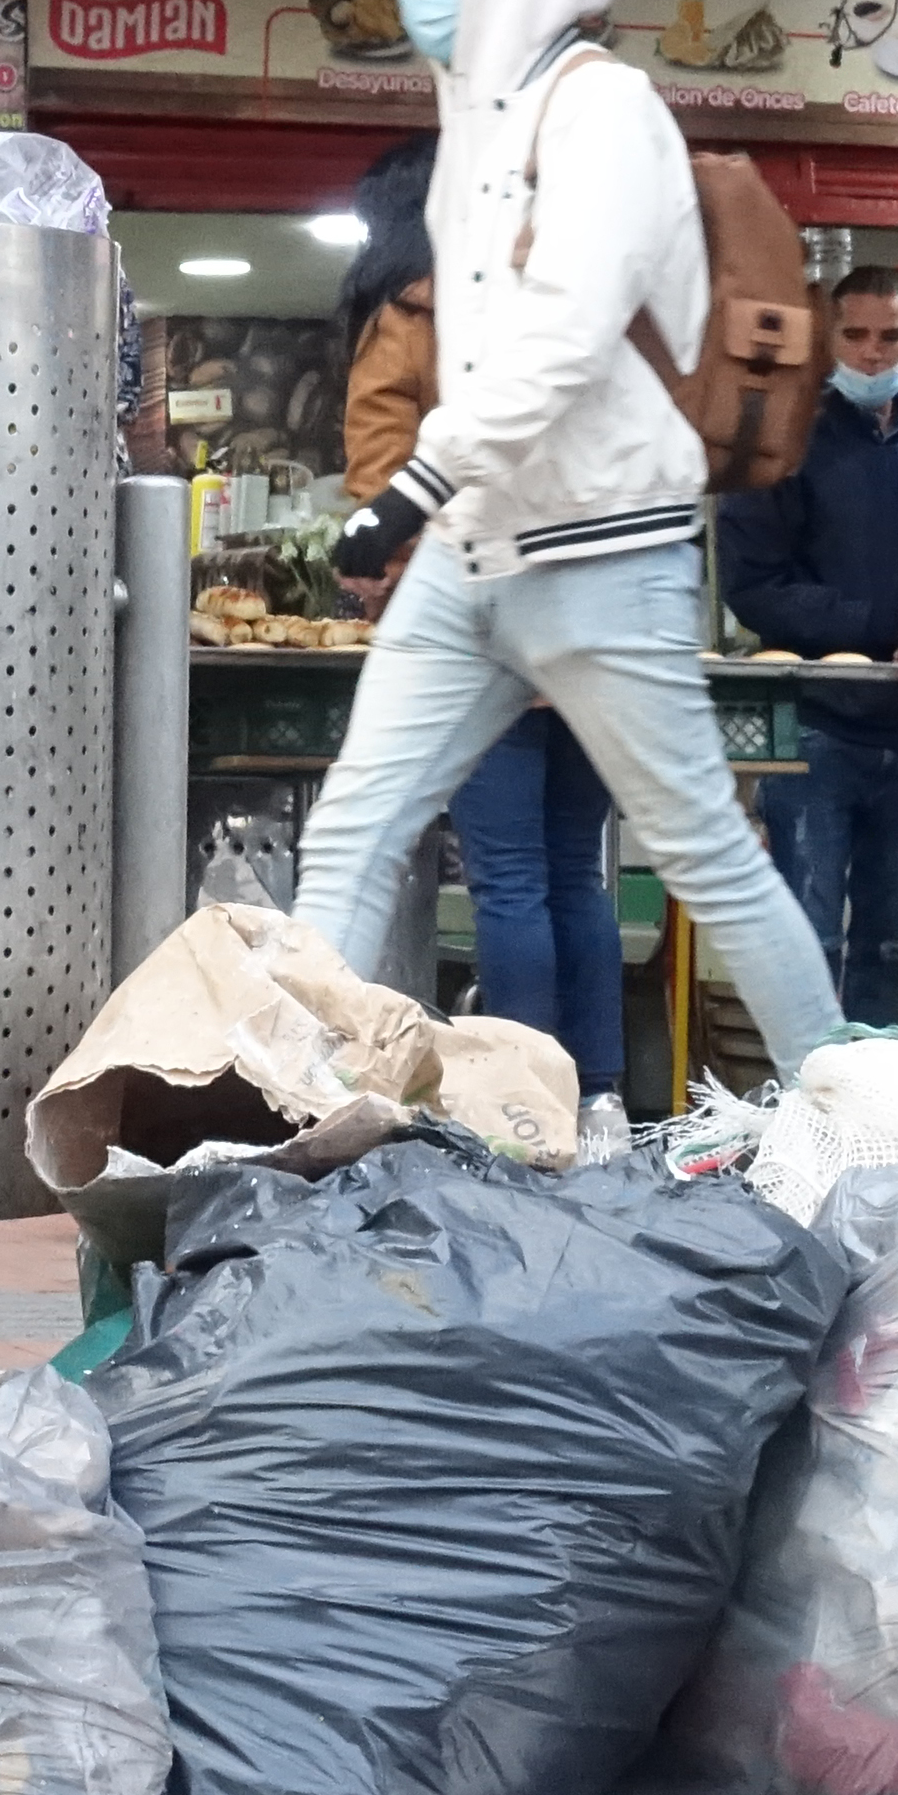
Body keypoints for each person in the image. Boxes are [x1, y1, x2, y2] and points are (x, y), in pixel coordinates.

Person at [293, 0, 849, 1075]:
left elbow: (565, 333)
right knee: (352, 833)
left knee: (703, 852)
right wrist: (435, 502)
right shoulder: (477, 120)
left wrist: (411, 489)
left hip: (603, 546)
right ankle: (291, 1107)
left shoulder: (604, 110)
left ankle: (849, 1114)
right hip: (475, 547)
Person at [337, 133, 629, 1097]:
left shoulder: (413, 315)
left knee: (508, 879)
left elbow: (381, 476)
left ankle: (520, 1101)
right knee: (573, 873)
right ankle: (599, 1101)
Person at [717, 264, 898, 1026]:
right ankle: (804, 1084)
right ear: (826, 338)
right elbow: (753, 588)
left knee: (892, 945)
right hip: (813, 730)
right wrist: (884, 622)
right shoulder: (783, 439)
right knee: (807, 944)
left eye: (888, 336)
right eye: (854, 336)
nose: (871, 353)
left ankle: (874, 1084)